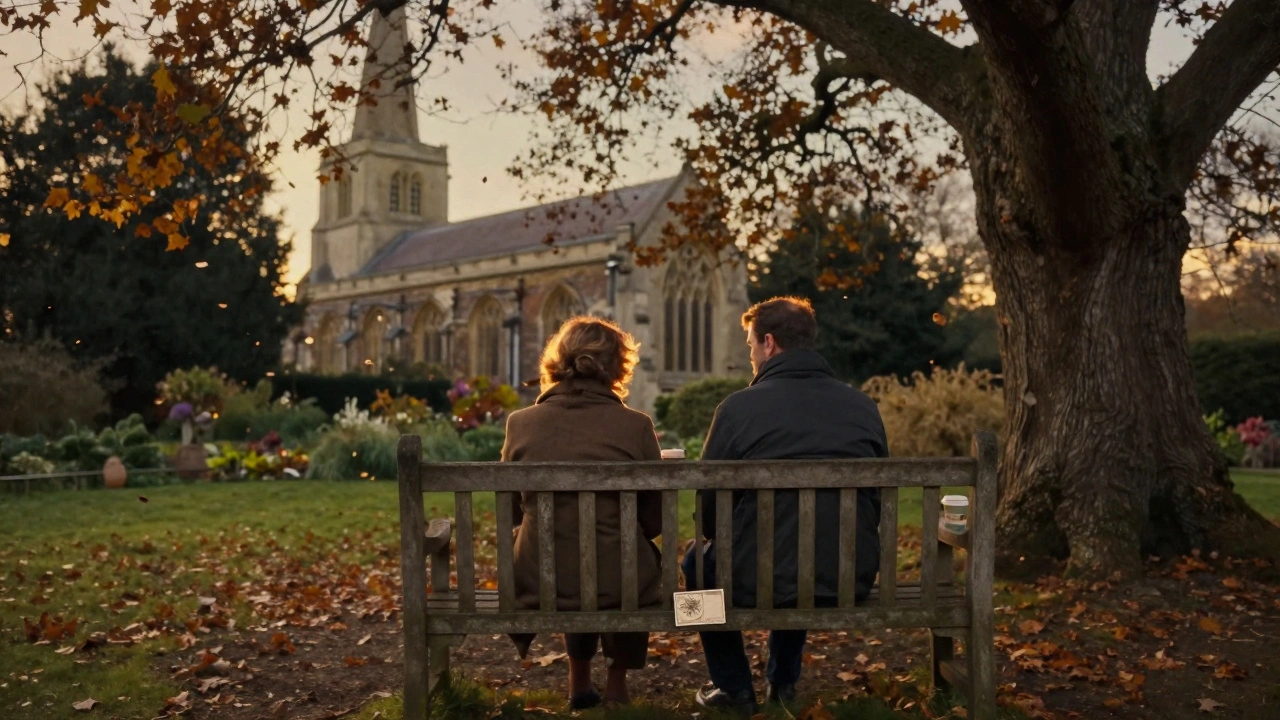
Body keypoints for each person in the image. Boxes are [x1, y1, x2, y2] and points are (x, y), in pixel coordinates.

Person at [682, 296, 888, 715]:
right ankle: (783, 682)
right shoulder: (862, 406)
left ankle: (733, 687)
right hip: (848, 575)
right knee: (804, 552)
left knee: (697, 564)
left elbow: (709, 510)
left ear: (769, 343)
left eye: (751, 347)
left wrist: (717, 538)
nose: (752, 357)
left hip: (755, 578)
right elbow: (875, 501)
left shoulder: (738, 409)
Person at [501, 316, 663, 709]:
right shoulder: (636, 426)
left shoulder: (520, 424)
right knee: (622, 557)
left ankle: (578, 682)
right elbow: (655, 520)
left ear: (557, 360)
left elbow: (509, 511)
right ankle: (616, 687)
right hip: (619, 581)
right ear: (617, 365)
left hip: (540, 580)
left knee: (565, 550)